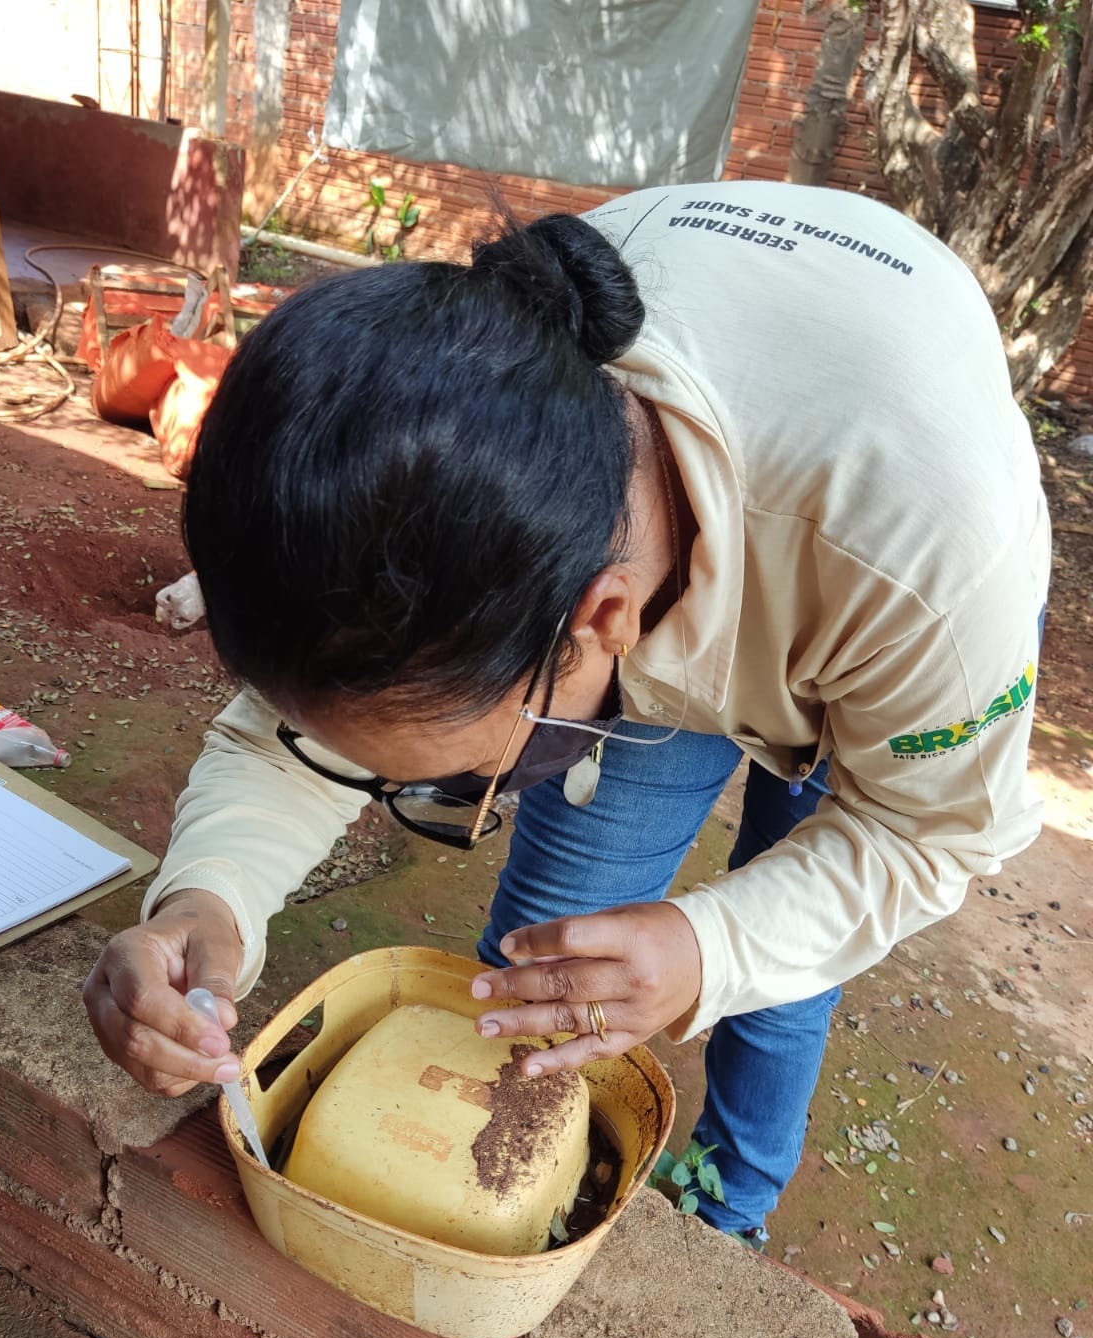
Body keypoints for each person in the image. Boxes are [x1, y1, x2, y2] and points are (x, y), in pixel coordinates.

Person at [83, 180, 1050, 1242]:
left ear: (602, 619)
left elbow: (916, 835)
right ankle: (495, 1190)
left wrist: (708, 949)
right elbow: (313, 716)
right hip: (656, 558)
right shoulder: (454, 443)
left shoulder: (930, 568)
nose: (438, 796)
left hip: (852, 600)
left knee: (778, 951)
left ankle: (728, 1206)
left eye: (451, 779)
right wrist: (206, 902)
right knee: (546, 980)